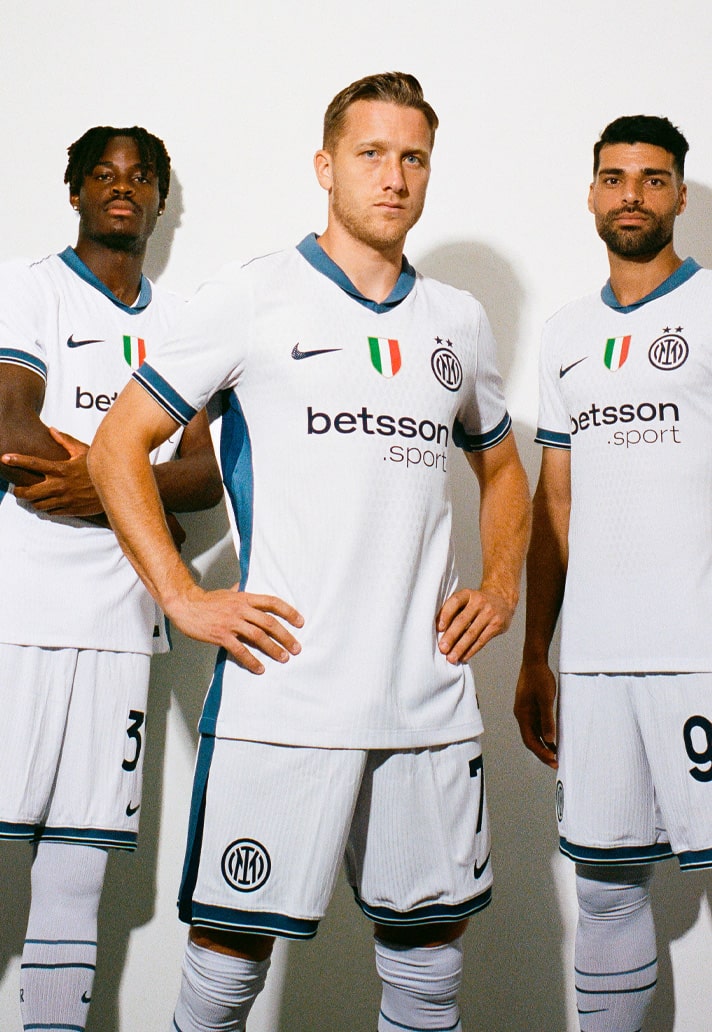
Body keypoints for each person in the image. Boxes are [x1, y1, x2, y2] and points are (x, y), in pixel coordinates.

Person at [89, 72, 531, 1032]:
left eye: (413, 158)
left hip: (426, 700)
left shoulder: (457, 320)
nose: (394, 177)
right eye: (371, 154)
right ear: (326, 167)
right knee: (224, 969)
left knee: (429, 970)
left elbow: (502, 466)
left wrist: (501, 585)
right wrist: (181, 594)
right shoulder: (252, 297)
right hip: (284, 695)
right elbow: (117, 444)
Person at [0, 125, 222, 1032]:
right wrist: (138, 493)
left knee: (77, 870)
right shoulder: (29, 288)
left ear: (161, 199)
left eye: (139, 177)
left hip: (124, 624)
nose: (121, 187)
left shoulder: (186, 323)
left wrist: (104, 484)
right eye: (103, 173)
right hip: (20, 613)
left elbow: (203, 476)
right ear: (75, 191)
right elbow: (14, 438)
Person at [514, 114, 712, 1031]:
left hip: (699, 652)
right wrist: (536, 654)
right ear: (592, 193)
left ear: (679, 195)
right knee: (605, 886)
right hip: (594, 662)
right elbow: (554, 506)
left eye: (652, 178)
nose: (632, 195)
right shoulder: (565, 333)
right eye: (614, 178)